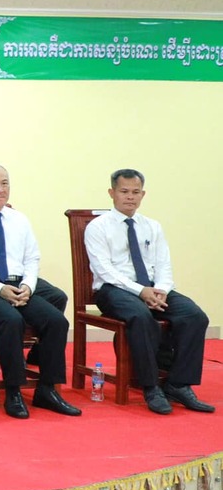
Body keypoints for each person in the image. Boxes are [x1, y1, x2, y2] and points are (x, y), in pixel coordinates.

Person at [0, 164, 79, 418]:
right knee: (11, 320)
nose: (0, 189)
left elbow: (32, 258)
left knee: (56, 321)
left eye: (5, 183)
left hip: (18, 286)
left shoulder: (19, 219)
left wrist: (28, 286)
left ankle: (47, 390)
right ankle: (13, 391)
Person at [85, 169, 213, 415]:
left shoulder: (152, 226)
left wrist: (161, 290)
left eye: (136, 192)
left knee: (194, 316)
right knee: (141, 316)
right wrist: (141, 291)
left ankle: (178, 384)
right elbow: (105, 270)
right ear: (112, 193)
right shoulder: (98, 227)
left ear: (143, 194)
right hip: (114, 290)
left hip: (153, 288)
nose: (130, 197)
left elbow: (163, 265)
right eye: (124, 191)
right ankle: (151, 386)